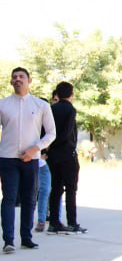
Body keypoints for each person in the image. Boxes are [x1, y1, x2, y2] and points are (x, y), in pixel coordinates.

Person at [1, 68, 55, 254]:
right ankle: (8, 240)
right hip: (7, 158)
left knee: (30, 199)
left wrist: (35, 149)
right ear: (11, 81)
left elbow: (51, 133)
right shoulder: (3, 104)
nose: (17, 79)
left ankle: (26, 238)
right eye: (14, 77)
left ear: (29, 80)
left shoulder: (41, 105)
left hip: (31, 159)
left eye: (21, 76)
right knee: (9, 198)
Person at [48, 81, 86, 233]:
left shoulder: (51, 109)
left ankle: (54, 223)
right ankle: (72, 222)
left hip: (53, 155)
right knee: (71, 189)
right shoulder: (70, 109)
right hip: (67, 154)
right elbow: (67, 132)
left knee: (56, 189)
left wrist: (49, 146)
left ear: (57, 94)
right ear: (72, 94)